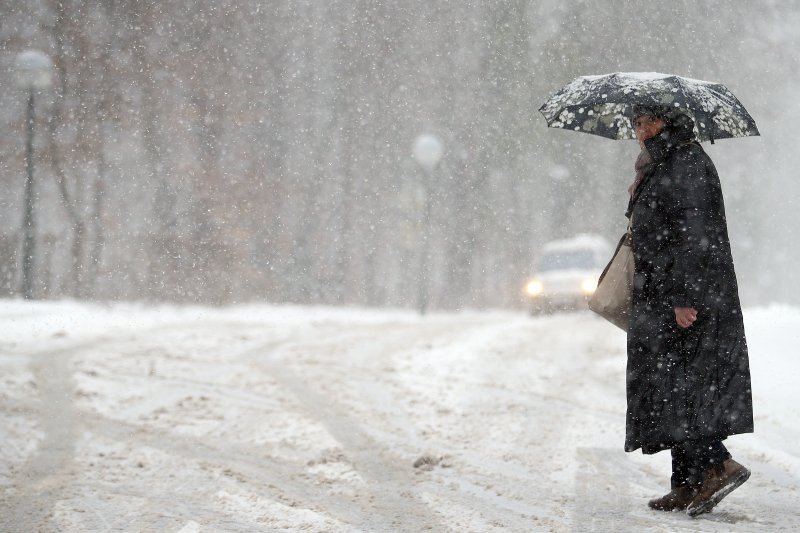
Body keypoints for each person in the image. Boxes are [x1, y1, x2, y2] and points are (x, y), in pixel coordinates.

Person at [624, 104, 754, 517]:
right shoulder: (663, 163)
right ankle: (687, 480)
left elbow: (695, 233)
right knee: (669, 386)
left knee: (680, 384)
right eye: (636, 124)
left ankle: (717, 464)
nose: (640, 131)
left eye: (647, 122)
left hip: (684, 296)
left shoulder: (687, 162)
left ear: (669, 122)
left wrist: (684, 296)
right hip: (663, 291)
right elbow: (660, 223)